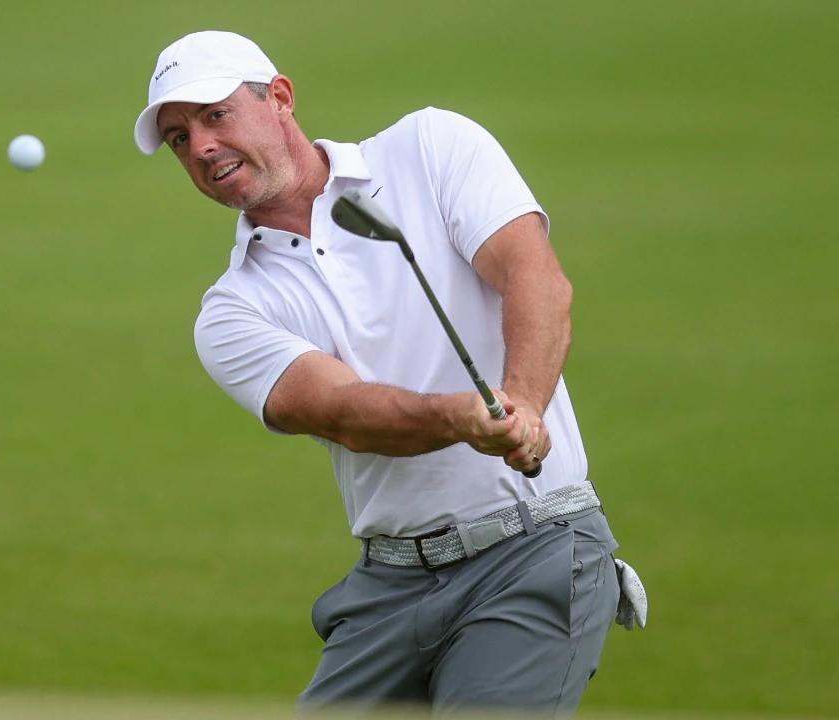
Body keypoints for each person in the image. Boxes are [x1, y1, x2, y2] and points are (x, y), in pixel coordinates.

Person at [133, 30, 647, 715]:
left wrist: (523, 402)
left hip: (533, 550)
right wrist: (461, 418)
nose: (199, 146)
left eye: (215, 116)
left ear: (279, 97)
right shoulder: (231, 312)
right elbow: (345, 414)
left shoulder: (430, 147)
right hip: (390, 586)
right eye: (178, 138)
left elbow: (534, 276)